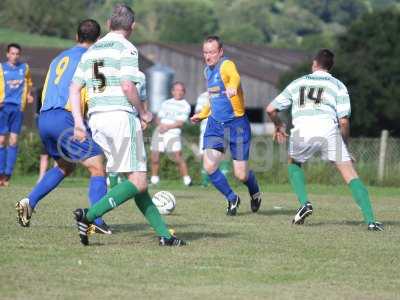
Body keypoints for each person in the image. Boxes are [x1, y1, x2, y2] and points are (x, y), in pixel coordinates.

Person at [70, 4, 186, 246]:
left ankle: (165, 236)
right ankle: (89, 216)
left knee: (137, 183)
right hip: (120, 117)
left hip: (97, 119)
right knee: (138, 181)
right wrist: (144, 113)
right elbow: (127, 86)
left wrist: (78, 123)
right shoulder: (128, 49)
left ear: (110, 24)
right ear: (132, 27)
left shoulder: (91, 51)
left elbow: (74, 88)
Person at [266, 48, 383, 231]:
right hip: (327, 129)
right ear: (331, 67)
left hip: (302, 130)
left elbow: (270, 109)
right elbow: (343, 121)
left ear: (314, 63)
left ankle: (304, 203)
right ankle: (370, 221)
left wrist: (278, 125)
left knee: (293, 162)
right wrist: (344, 146)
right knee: (350, 174)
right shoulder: (338, 85)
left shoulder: (298, 83)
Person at [15, 19, 112, 234]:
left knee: (64, 166)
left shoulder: (58, 58)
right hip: (65, 118)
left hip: (45, 117)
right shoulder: (91, 58)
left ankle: (29, 202)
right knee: (97, 165)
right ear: (97, 40)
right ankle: (96, 219)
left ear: (77, 37)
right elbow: (88, 90)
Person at [191, 36, 261, 216]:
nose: (208, 56)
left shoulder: (226, 65)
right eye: (205, 52)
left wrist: (233, 87)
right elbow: (213, 97)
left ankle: (255, 191)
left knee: (241, 175)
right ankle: (232, 198)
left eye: (212, 52)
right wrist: (202, 114)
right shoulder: (207, 71)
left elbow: (235, 77)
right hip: (215, 124)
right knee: (209, 166)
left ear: (220, 52)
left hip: (237, 124)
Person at [0, 43, 34, 186]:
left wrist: (29, 95)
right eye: (12, 53)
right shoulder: (1, 68)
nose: (14, 56)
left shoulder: (24, 68)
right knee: (1, 141)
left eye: (17, 54)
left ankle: (7, 175)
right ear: (7, 54)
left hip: (17, 108)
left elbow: (29, 82)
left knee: (13, 141)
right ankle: (0, 173)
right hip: (3, 107)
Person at [150, 82, 192, 186]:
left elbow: (180, 123)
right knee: (155, 156)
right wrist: (161, 126)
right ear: (172, 91)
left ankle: (187, 180)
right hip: (160, 131)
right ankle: (154, 180)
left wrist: (167, 127)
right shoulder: (166, 103)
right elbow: (158, 118)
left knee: (177, 157)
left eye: (181, 90)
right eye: (176, 90)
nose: (178, 92)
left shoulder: (186, 105)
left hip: (173, 133)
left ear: (184, 92)